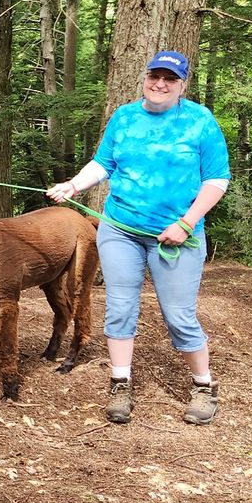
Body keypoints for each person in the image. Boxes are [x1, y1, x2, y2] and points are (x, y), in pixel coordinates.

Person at [47, 51, 230, 426]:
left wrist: (186, 222)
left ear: (182, 85)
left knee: (178, 315)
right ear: (145, 77)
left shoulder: (200, 121)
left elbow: (216, 180)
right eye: (154, 75)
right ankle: (120, 383)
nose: (160, 84)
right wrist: (74, 185)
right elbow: (104, 163)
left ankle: (203, 387)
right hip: (120, 230)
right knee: (120, 307)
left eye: (170, 78)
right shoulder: (125, 116)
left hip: (176, 235)